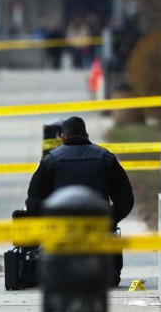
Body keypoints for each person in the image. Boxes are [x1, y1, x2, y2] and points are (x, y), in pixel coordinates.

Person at [24, 116, 134, 286]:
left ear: (63, 137)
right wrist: (108, 221)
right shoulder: (106, 159)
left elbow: (32, 202)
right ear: (87, 135)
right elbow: (126, 199)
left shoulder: (50, 161)